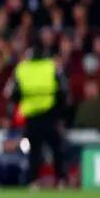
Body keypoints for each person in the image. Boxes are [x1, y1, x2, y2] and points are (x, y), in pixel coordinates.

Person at [10, 42, 70, 186]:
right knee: (56, 147)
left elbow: (14, 93)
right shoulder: (51, 67)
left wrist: (26, 104)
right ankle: (61, 179)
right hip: (49, 114)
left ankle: (33, 180)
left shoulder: (22, 69)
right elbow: (63, 91)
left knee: (34, 150)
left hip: (32, 116)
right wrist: (58, 112)